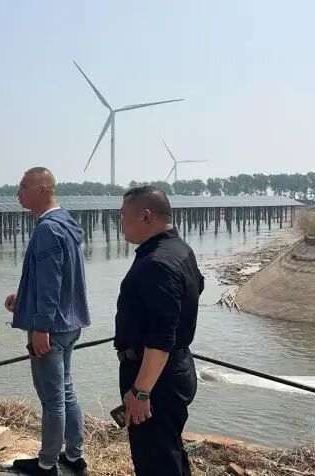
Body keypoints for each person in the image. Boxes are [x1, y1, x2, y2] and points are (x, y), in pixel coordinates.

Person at [5, 167, 91, 476]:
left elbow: (52, 282)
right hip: (70, 322)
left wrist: (41, 326)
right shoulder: (65, 222)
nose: (18, 193)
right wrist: (25, 298)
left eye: (24, 186)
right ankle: (74, 455)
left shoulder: (46, 229)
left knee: (52, 399)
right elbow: (59, 277)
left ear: (42, 189)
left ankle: (46, 464)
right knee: (66, 392)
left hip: (50, 329)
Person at [115, 186, 204, 476]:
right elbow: (196, 289)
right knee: (169, 452)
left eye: (123, 215)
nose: (120, 222)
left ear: (146, 216)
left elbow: (161, 337)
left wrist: (141, 392)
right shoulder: (180, 249)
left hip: (155, 377)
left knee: (155, 461)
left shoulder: (156, 263)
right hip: (176, 367)